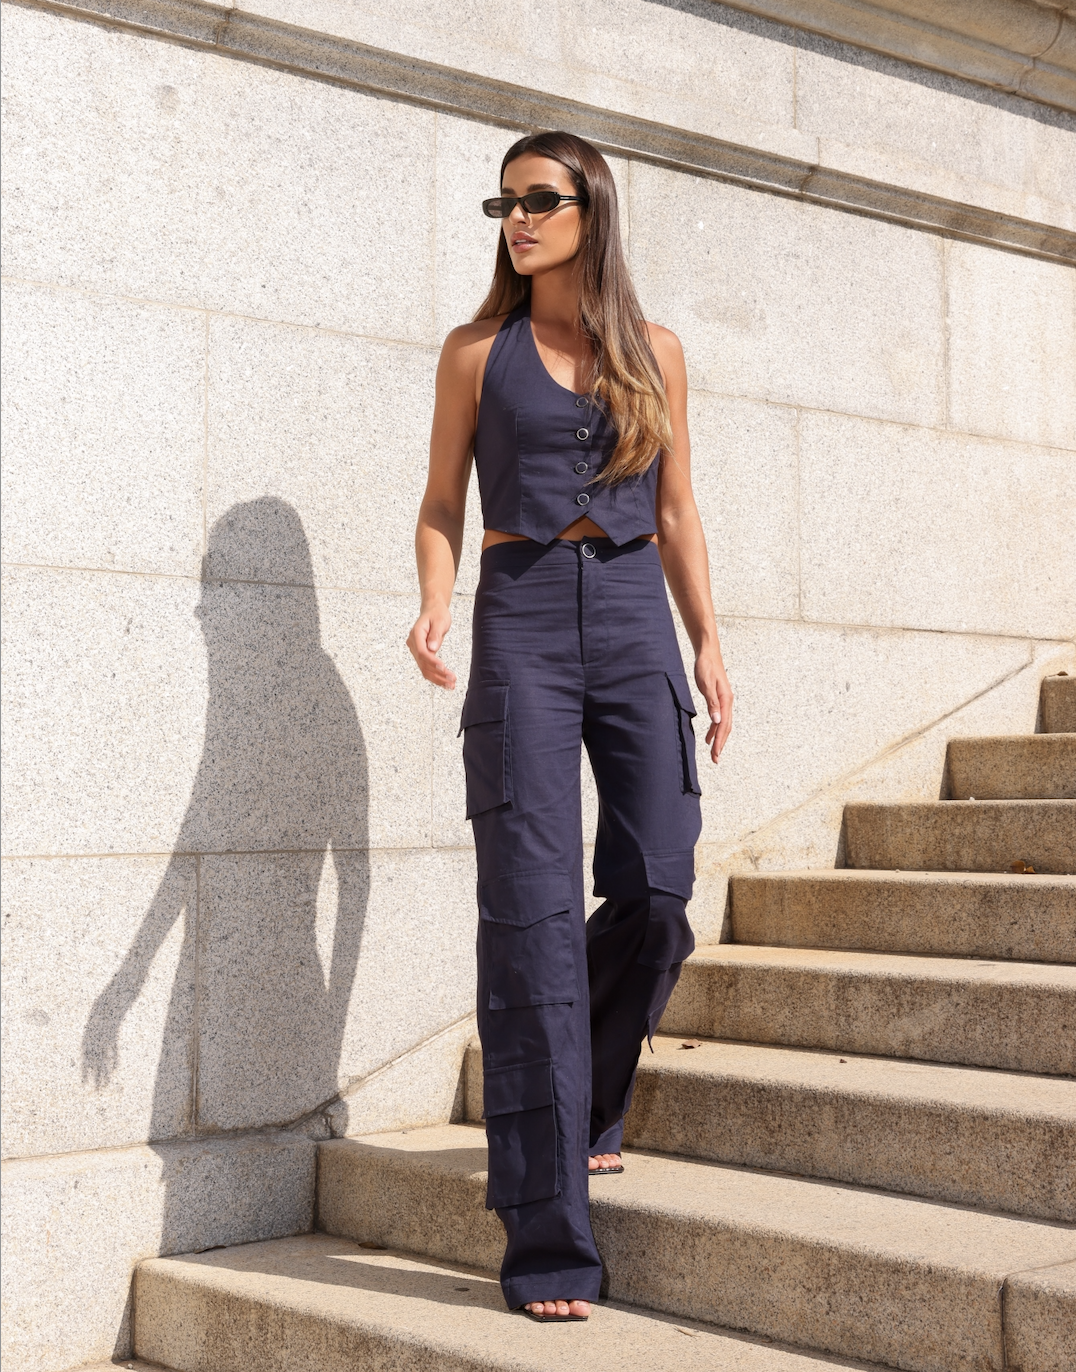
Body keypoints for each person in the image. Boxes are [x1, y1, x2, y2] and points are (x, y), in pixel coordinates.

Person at [406, 130, 733, 1324]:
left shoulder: (654, 351)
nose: (517, 220)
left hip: (635, 616)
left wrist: (706, 641)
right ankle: (546, 1240)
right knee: (533, 924)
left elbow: (678, 508)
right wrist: (435, 601)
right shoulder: (473, 353)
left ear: (589, 209)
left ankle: (588, 1088)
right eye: (504, 203)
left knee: (657, 885)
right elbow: (441, 500)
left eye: (539, 199)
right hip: (525, 621)